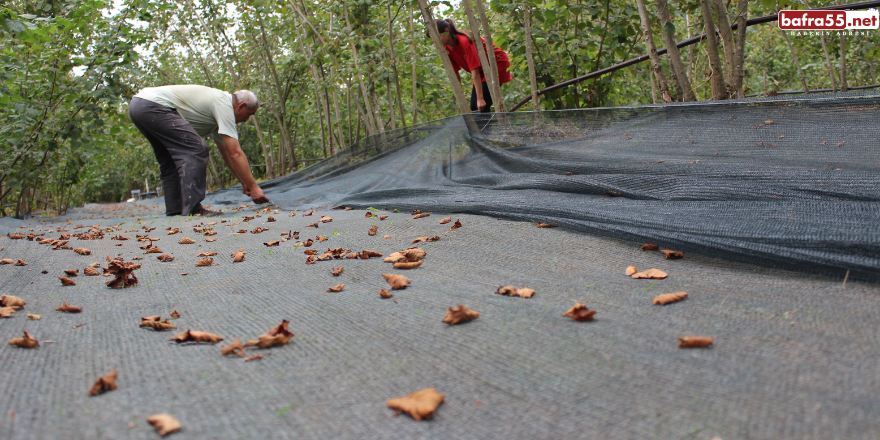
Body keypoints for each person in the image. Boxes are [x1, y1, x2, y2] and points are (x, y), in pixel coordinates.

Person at [129, 85, 270, 216]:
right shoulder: (224, 104)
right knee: (197, 149)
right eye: (249, 114)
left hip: (138, 106)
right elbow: (235, 153)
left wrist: (244, 182)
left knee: (170, 159)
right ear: (241, 106)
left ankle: (175, 210)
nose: (246, 120)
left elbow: (227, 154)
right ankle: (193, 209)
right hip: (153, 105)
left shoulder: (218, 113)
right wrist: (254, 186)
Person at [433, 19, 512, 112]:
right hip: (481, 70)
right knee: (474, 107)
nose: (435, 42)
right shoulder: (447, 49)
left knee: (481, 105)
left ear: (447, 31)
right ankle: (484, 125)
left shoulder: (464, 41)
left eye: (438, 37)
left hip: (497, 64)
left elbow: (475, 71)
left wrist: (480, 98)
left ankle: (489, 125)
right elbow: (456, 74)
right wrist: (460, 96)